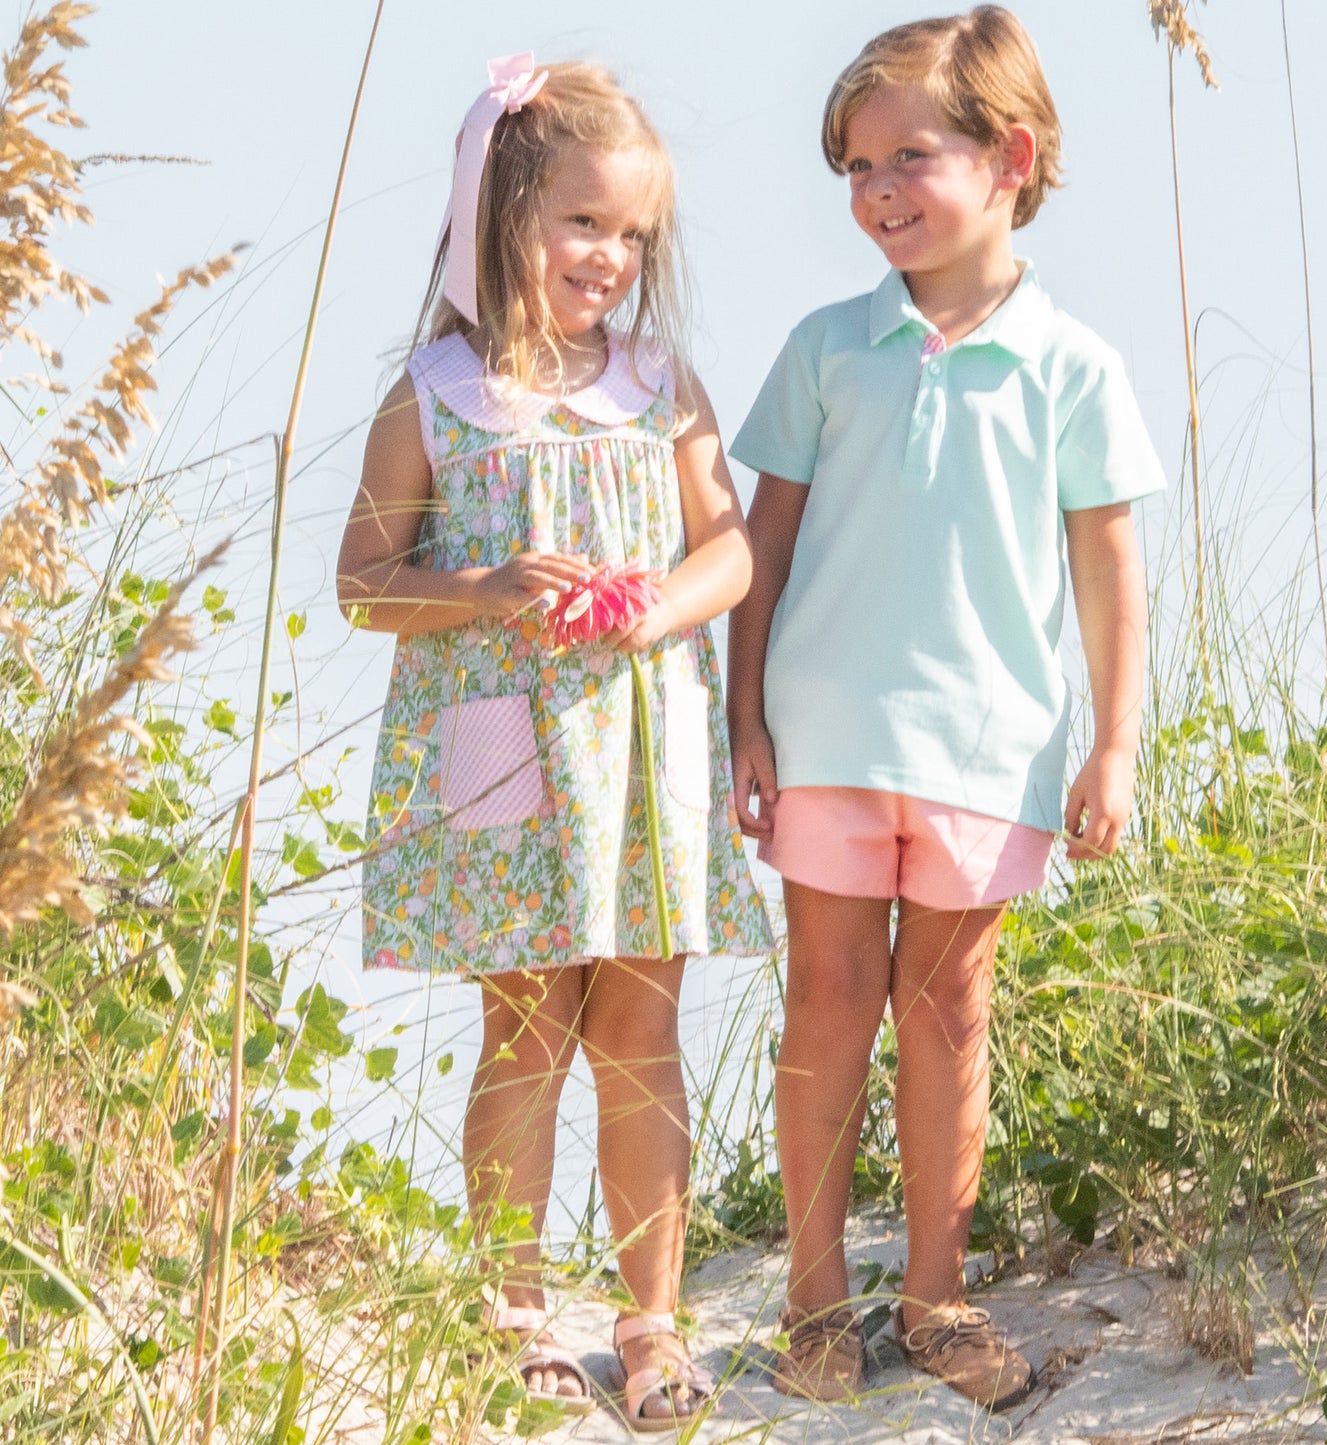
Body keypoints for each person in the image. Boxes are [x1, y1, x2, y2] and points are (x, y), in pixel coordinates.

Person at [727, 8, 1165, 1410]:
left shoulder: (1072, 366)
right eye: (854, 167)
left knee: (947, 1006)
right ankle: (811, 1303)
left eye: (907, 155)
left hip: (989, 744)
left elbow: (1107, 571)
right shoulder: (823, 349)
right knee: (826, 996)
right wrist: (743, 718)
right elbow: (762, 552)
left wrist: (1113, 739)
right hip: (825, 731)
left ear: (1009, 156)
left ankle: (934, 1295)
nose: (876, 191)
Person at [337, 54, 773, 1431]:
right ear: (503, 205)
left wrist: (656, 603)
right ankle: (510, 1305)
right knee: (523, 1027)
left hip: (643, 754)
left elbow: (730, 548)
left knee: (639, 1031)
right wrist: (478, 592)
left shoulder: (660, 385)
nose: (612, 257)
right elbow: (363, 579)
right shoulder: (434, 396)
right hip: (504, 756)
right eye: (586, 222)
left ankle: (651, 1318)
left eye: (634, 235)